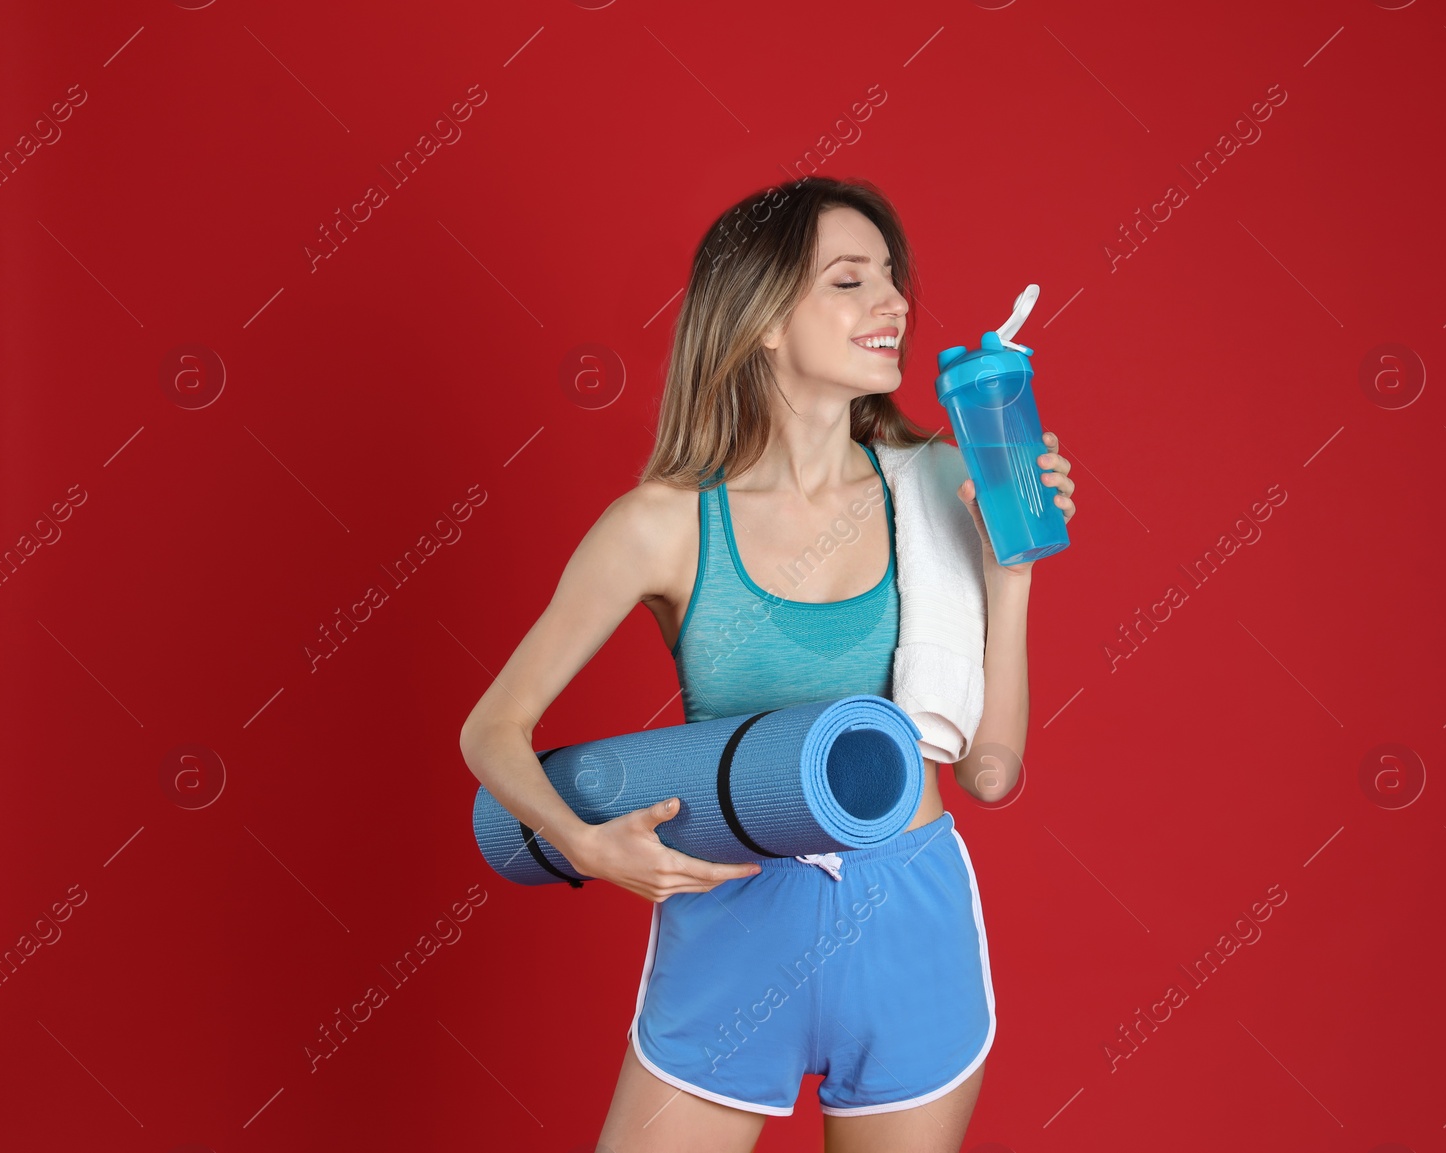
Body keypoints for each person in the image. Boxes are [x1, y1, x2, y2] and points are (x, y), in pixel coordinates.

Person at [459, 175, 1076, 1152]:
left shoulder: (939, 489)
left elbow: (990, 775)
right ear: (762, 322)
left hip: (908, 932)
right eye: (849, 280)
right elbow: (491, 730)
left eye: (891, 277)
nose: (894, 303)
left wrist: (1012, 571)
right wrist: (586, 848)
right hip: (729, 925)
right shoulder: (660, 526)